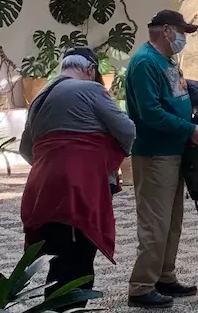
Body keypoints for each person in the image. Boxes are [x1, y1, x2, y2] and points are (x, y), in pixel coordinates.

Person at [20, 47, 135, 308]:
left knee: (56, 261)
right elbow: (127, 130)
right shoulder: (92, 90)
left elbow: (27, 150)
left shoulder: (38, 98)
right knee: (79, 264)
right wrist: (103, 157)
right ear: (90, 69)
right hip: (76, 190)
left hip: (41, 191)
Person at [125, 10, 198, 309]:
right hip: (154, 154)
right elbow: (150, 112)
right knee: (155, 223)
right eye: (181, 31)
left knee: (172, 220)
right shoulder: (145, 63)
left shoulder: (164, 61)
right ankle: (141, 286)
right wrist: (188, 129)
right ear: (165, 30)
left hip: (172, 151)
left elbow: (171, 99)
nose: (183, 37)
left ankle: (165, 276)